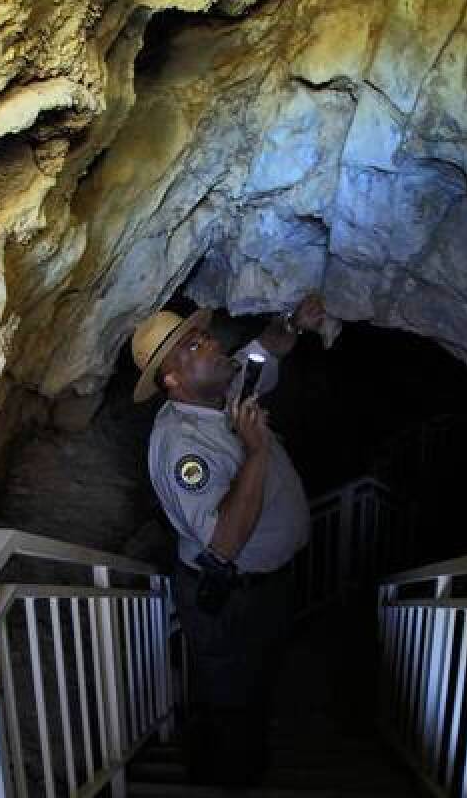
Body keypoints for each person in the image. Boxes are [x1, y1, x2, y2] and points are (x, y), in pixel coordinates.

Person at [130, 295, 328, 786]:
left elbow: (264, 352)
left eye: (204, 335)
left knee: (258, 679)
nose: (212, 344)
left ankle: (246, 751)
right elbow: (224, 540)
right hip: (230, 595)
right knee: (230, 698)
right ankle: (229, 776)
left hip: (266, 587)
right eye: (193, 346)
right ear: (172, 381)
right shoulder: (180, 445)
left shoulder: (222, 384)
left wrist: (292, 324)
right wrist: (257, 452)